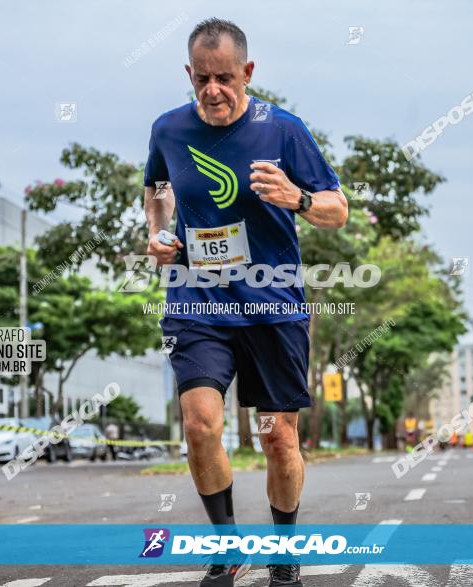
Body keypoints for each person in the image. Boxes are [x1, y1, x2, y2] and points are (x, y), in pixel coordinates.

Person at [142, 18, 347, 587]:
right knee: (200, 424)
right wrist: (158, 232)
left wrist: (299, 198)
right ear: (189, 74)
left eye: (225, 78)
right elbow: (156, 187)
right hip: (197, 300)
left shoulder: (284, 130)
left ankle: (284, 549)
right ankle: (228, 548)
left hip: (272, 305)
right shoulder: (168, 129)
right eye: (202, 78)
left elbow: (338, 207)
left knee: (278, 437)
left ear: (247, 73)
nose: (213, 90)